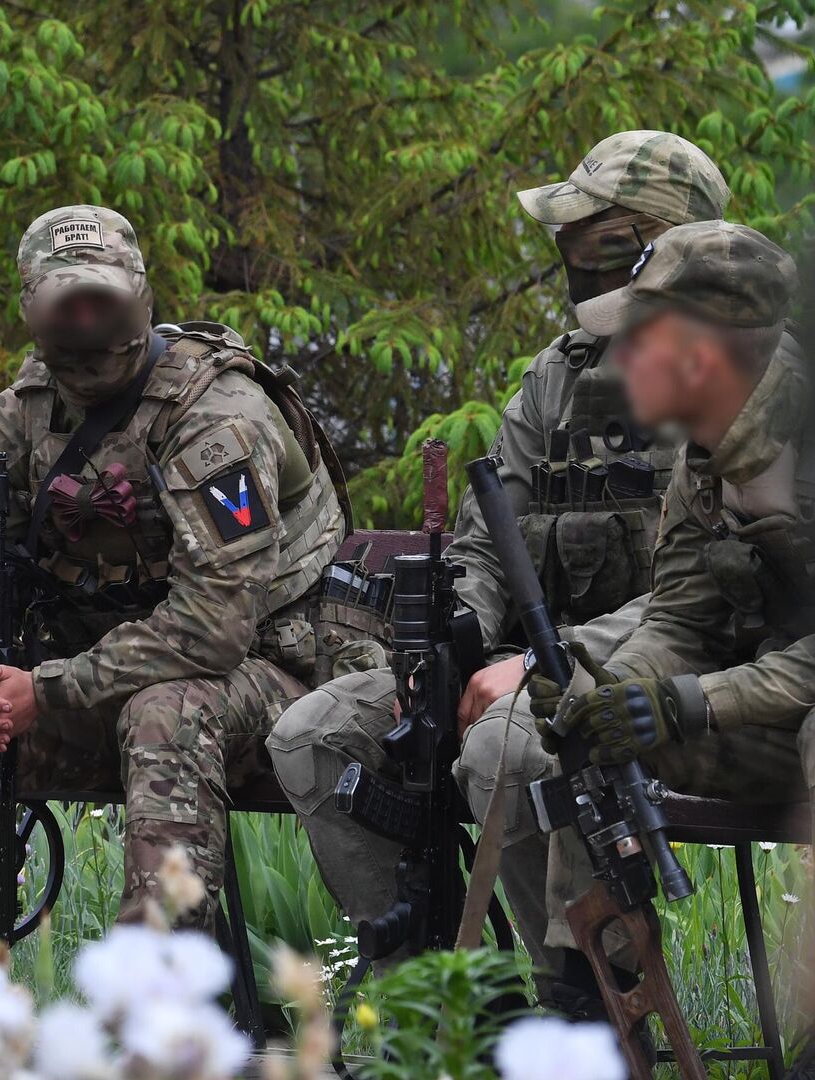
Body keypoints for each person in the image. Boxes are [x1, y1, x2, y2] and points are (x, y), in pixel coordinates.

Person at [267, 130, 734, 967]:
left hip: (682, 678)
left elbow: (716, 593)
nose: (572, 264)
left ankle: (583, 1008)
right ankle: (437, 1007)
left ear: (656, 251)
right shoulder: (558, 376)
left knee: (503, 749)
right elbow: (490, 546)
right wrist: (453, 637)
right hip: (528, 666)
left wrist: (539, 667)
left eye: (594, 244)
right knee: (314, 734)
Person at [0, 204, 346, 926]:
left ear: (138, 293)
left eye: (103, 298)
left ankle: (154, 996)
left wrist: (48, 688)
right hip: (97, 684)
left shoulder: (217, 421)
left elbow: (216, 628)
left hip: (269, 679)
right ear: (33, 308)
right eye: (68, 302)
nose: (87, 319)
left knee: (168, 711)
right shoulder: (13, 421)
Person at [484, 220, 812, 1006]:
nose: (621, 359)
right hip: (770, 714)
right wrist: (618, 689)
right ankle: (588, 1005)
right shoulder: (705, 449)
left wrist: (687, 701)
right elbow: (682, 616)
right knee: (581, 741)